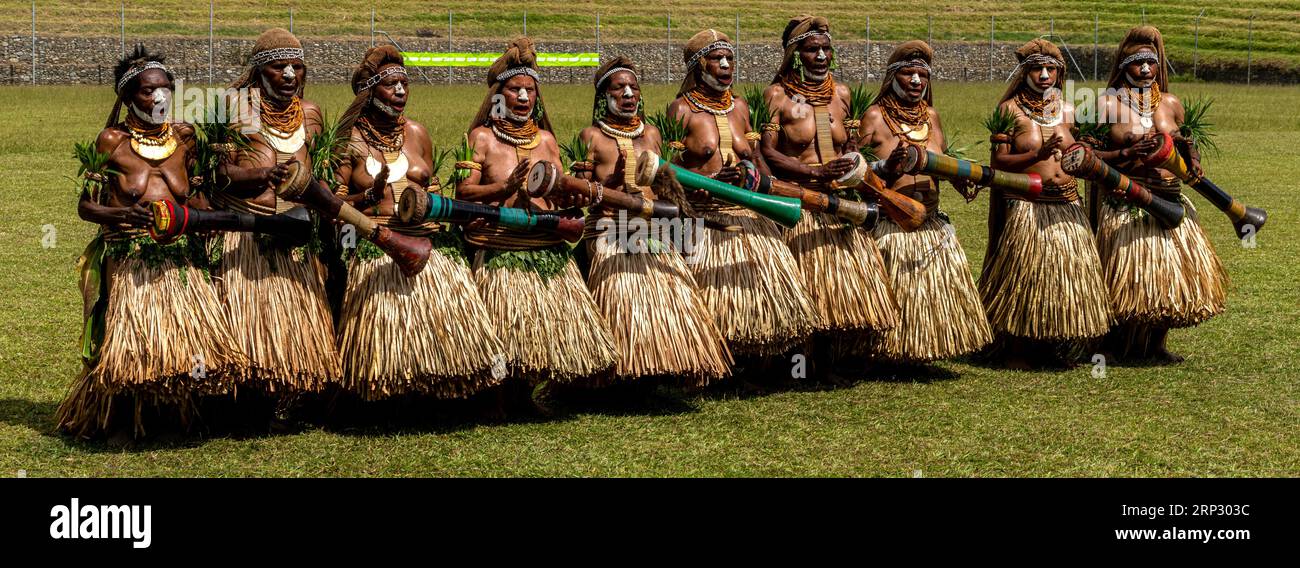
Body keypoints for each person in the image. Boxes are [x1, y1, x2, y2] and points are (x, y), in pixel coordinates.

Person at [57, 46, 247, 439]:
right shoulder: (111, 141)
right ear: (128, 97)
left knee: (186, 343)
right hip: (132, 257)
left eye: (165, 89)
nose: (159, 97)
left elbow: (192, 195)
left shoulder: (185, 139)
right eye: (148, 91)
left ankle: (180, 417)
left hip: (182, 260)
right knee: (132, 346)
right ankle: (121, 418)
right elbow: (85, 207)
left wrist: (205, 213)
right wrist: (123, 215)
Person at [332, 45, 506, 400]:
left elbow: (437, 189)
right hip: (375, 246)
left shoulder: (418, 133)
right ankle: (382, 393)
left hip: (428, 246)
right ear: (369, 91)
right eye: (390, 85)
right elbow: (334, 204)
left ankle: (442, 388)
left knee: (447, 334)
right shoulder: (349, 139)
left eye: (404, 84)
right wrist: (367, 197)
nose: (400, 92)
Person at [455, 38, 616, 400]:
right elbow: (463, 195)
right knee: (506, 334)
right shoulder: (481, 138)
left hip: (546, 245)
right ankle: (500, 395)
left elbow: (560, 190)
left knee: (550, 334)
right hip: (501, 247)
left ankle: (536, 391)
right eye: (515, 90)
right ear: (499, 94)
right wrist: (504, 188)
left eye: (530, 90)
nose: (524, 98)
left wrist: (572, 196)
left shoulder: (546, 140)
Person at [571, 56, 733, 387]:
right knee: (627, 301)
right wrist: (614, 183)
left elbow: (668, 185)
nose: (629, 94)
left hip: (657, 231)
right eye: (619, 88)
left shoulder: (654, 134)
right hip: (611, 234)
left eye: (634, 88)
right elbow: (581, 195)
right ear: (605, 96)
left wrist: (692, 200)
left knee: (674, 297)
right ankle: (622, 377)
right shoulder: (591, 137)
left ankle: (666, 369)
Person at [666, 29, 818, 368]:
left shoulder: (741, 107)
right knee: (720, 305)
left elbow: (755, 156)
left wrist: (764, 179)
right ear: (697, 66)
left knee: (769, 301)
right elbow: (669, 174)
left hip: (752, 213)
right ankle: (722, 366)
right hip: (708, 222)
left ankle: (771, 365)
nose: (725, 65)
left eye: (729, 59)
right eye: (716, 59)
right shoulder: (679, 110)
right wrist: (710, 181)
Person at [760, 15, 898, 373]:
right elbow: (769, 153)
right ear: (795, 55)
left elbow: (850, 146)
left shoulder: (842, 95)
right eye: (811, 49)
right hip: (801, 205)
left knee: (841, 292)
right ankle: (797, 368)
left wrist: (852, 163)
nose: (821, 56)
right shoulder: (777, 97)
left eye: (825, 49)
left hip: (842, 207)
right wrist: (813, 172)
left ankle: (832, 363)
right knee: (807, 292)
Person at [214, 28, 340, 400]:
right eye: (278, 67)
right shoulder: (235, 107)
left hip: (298, 238)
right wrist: (260, 175)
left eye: (297, 67)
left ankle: (290, 398)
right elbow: (219, 174)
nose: (289, 76)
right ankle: (242, 400)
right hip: (246, 238)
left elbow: (319, 174)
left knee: (295, 328)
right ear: (258, 71)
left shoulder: (312, 113)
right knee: (249, 328)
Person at [1089, 26, 1227, 363]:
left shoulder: (1171, 103)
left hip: (1172, 201)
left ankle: (1156, 345)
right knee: (1130, 281)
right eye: (1138, 62)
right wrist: (1126, 154)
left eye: (1152, 62)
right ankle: (1117, 346)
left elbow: (1185, 141)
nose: (1146, 69)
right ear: (1123, 66)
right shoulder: (1106, 103)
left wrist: (1192, 158)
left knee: (1166, 277)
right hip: (1130, 201)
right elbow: (1086, 156)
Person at [857, 40, 992, 364]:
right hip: (891, 223)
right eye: (908, 74)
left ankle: (921, 350)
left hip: (931, 221)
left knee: (926, 294)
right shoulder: (875, 117)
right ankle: (885, 354)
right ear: (892, 77)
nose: (916, 81)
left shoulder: (932, 116)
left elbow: (941, 162)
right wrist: (885, 169)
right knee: (895, 291)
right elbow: (855, 171)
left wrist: (960, 179)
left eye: (922, 75)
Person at [980, 38, 1111, 368]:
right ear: (1024, 73)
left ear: (1059, 73)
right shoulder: (1009, 111)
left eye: (1050, 69)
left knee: (1063, 280)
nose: (1043, 75)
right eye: (1036, 69)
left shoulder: (1068, 110)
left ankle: (1054, 346)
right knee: (1027, 279)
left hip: (1067, 205)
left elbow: (1081, 156)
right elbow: (998, 164)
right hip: (1027, 205)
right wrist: (1036, 154)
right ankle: (1019, 349)